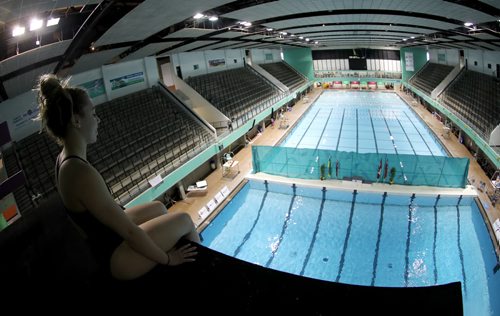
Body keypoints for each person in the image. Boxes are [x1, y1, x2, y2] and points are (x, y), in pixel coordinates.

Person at [36, 74, 200, 281]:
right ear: (76, 120)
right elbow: (131, 233)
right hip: (114, 257)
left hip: (104, 236)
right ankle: (202, 273)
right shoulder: (79, 172)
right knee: (184, 220)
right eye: (93, 114)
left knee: (159, 208)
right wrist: (168, 258)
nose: (98, 120)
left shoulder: (64, 158)